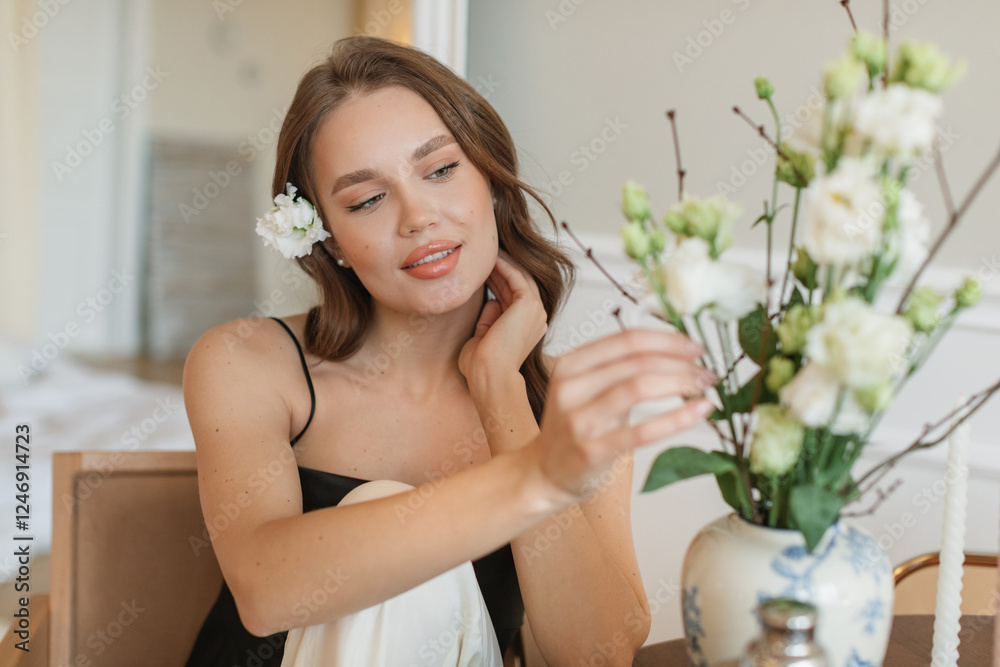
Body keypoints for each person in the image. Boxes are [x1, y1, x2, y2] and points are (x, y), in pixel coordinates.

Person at [182, 35, 716, 666]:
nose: (418, 216)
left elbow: (596, 656)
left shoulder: (566, 404)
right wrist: (536, 478)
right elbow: (266, 592)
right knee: (384, 517)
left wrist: (503, 396)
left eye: (440, 170)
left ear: (489, 181)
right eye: (367, 200)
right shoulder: (246, 363)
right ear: (330, 243)